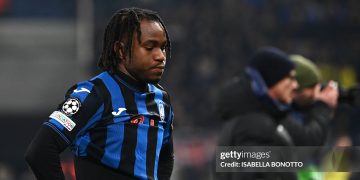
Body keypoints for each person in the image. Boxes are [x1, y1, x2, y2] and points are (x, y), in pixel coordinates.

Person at [25, 7, 174, 180]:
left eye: (163, 47)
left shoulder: (162, 100)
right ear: (120, 50)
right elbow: (40, 151)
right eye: (149, 47)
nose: (160, 56)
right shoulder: (92, 94)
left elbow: (166, 157)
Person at [215, 47, 299, 180]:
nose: (295, 85)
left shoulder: (246, 119)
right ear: (272, 79)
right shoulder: (256, 126)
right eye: (289, 77)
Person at [282, 54, 338, 146]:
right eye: (311, 87)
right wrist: (322, 107)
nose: (315, 93)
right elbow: (308, 143)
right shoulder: (280, 114)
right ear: (295, 89)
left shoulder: (299, 109)